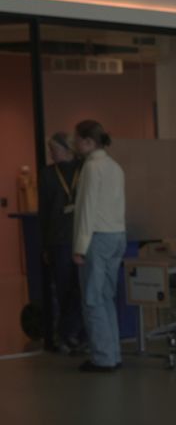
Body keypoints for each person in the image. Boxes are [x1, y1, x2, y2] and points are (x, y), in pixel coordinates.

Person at [70, 120, 125, 373]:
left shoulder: (91, 167)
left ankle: (103, 358)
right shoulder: (115, 166)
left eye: (77, 139)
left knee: (92, 299)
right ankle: (113, 353)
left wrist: (80, 246)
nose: (74, 143)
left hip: (97, 238)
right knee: (105, 297)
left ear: (88, 142)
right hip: (117, 235)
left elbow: (87, 209)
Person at [38, 132, 85, 354]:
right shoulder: (47, 174)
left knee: (82, 288)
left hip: (82, 237)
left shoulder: (84, 169)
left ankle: (76, 333)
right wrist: (45, 246)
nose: (51, 154)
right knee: (64, 288)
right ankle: (68, 335)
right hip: (59, 240)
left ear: (68, 149)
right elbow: (44, 212)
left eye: (54, 149)